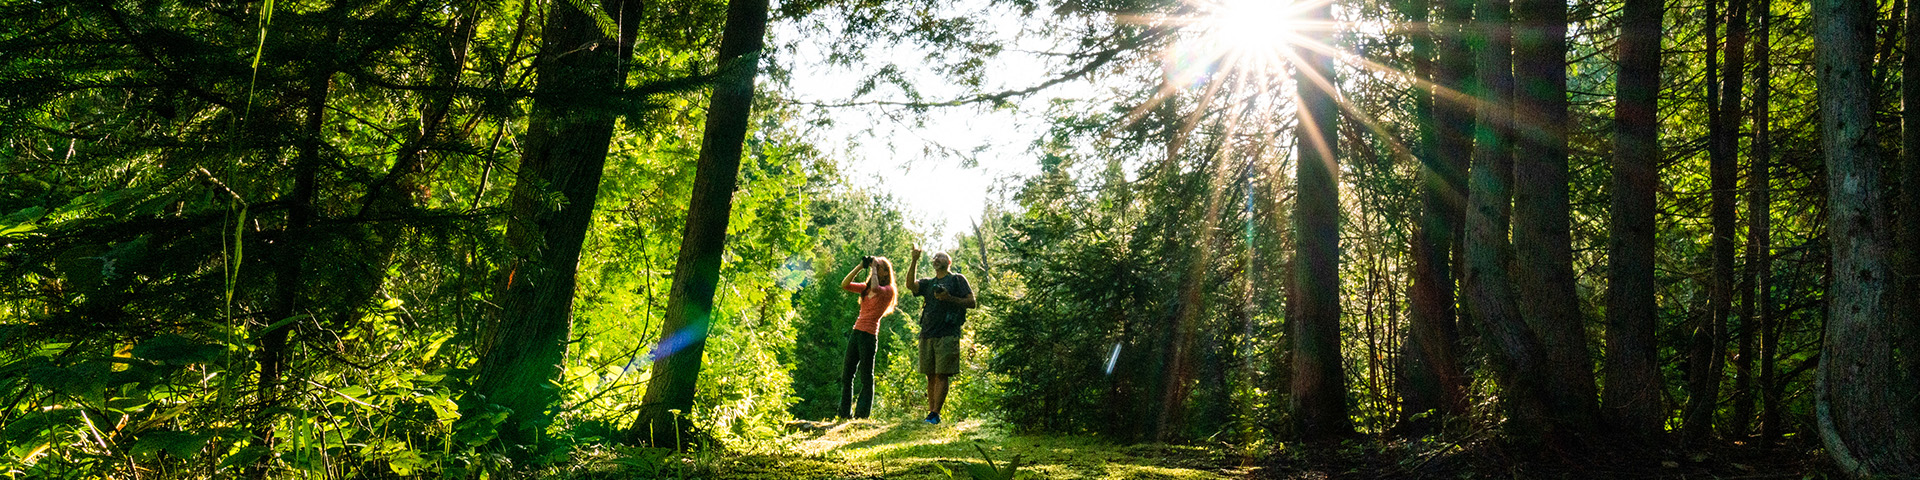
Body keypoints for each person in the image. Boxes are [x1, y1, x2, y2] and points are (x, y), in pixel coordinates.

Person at [904, 247, 975, 425]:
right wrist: (914, 260)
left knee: (942, 374)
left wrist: (949, 298)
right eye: (935, 257)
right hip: (927, 333)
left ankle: (935, 413)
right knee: (930, 375)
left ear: (948, 263)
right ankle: (931, 414)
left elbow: (972, 302)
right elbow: (910, 285)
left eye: (941, 257)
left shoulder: (957, 280)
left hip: (948, 333)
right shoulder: (929, 283)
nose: (936, 259)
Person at [837, 255, 897, 419]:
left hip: (869, 335)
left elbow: (877, 288)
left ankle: (862, 415)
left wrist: (873, 267)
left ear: (886, 273)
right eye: (876, 267)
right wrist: (860, 266)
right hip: (856, 332)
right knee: (847, 375)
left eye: (880, 268)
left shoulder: (888, 290)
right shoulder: (865, 288)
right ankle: (844, 414)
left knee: (866, 377)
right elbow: (845, 284)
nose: (876, 269)